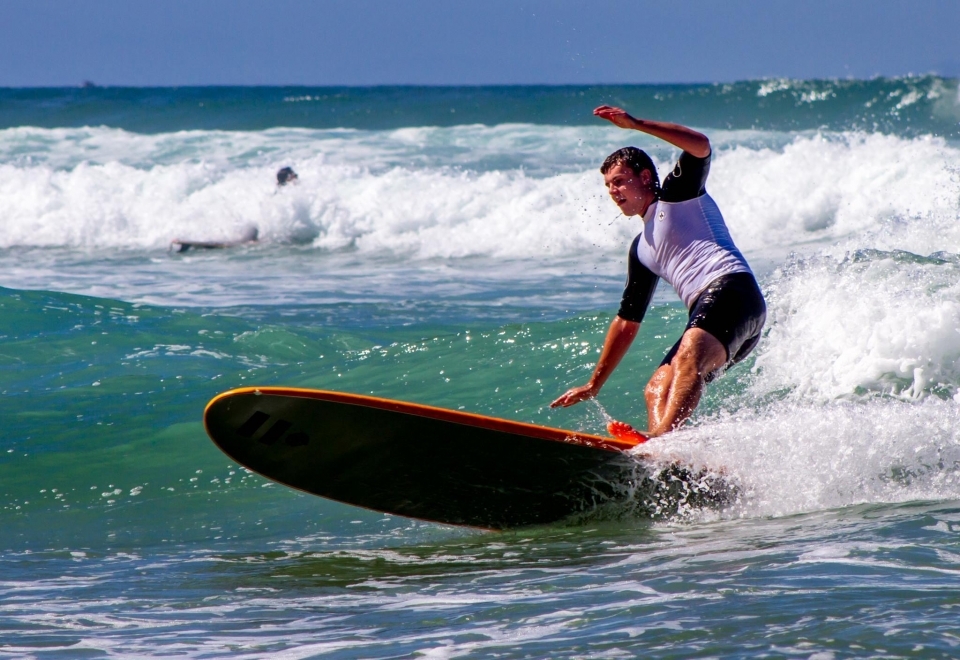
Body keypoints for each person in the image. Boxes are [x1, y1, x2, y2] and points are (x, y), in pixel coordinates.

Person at [550, 106, 766, 440]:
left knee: (687, 358)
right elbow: (626, 322)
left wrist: (636, 125)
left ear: (646, 178)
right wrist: (594, 384)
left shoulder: (678, 196)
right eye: (609, 186)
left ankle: (660, 441)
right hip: (718, 318)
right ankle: (666, 456)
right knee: (655, 387)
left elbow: (700, 145)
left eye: (620, 181)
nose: (614, 192)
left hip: (734, 292)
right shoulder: (641, 249)